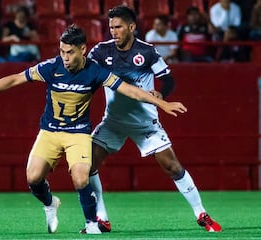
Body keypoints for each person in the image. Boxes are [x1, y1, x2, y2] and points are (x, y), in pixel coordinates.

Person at [0, 25, 187, 234]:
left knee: (81, 178)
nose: (65, 57)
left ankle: (91, 224)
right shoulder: (51, 67)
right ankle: (50, 203)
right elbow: (15, 79)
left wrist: (163, 103)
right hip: (50, 131)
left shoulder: (96, 72)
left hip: (78, 133)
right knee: (33, 178)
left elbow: (130, 90)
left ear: (83, 50)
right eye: (62, 51)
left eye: (70, 52)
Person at [85, 5, 222, 233]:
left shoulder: (147, 52)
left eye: (118, 27)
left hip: (144, 122)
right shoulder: (100, 52)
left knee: (172, 167)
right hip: (113, 122)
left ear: (131, 27)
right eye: (111, 27)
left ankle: (201, 213)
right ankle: (101, 218)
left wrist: (162, 94)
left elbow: (168, 79)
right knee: (87, 165)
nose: (114, 31)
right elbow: (85, 74)